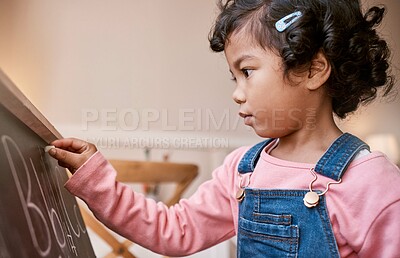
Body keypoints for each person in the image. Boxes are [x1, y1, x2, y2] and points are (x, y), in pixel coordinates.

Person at [48, 0, 400, 257]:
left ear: (312, 70)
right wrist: (96, 182)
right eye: (234, 77)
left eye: (247, 71)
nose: (236, 93)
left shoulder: (374, 184)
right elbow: (172, 230)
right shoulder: (241, 171)